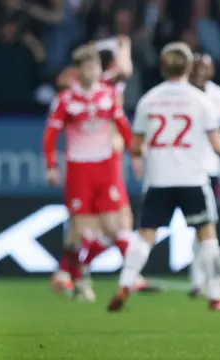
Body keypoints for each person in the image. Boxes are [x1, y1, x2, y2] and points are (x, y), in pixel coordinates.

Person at [107, 42, 220, 312]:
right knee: (208, 236)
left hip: (158, 179)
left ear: (162, 67)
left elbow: (135, 147)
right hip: (193, 180)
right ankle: (215, 297)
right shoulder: (202, 101)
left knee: (144, 237)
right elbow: (218, 145)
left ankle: (125, 283)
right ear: (188, 67)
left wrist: (150, 147)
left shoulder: (149, 100)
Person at [50, 37, 158, 297]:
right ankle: (75, 272)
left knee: (115, 223)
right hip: (89, 162)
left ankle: (73, 270)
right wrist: (120, 44)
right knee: (92, 225)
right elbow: (122, 69)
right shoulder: (84, 90)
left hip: (109, 159)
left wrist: (133, 151)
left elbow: (124, 73)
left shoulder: (108, 88)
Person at [187, 53, 220, 310]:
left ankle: (200, 280)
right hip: (184, 169)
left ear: (213, 71)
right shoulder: (181, 94)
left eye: (205, 67)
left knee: (206, 226)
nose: (200, 71)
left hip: (210, 168)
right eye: (196, 66)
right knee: (203, 227)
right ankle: (204, 284)